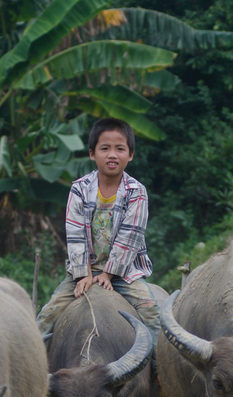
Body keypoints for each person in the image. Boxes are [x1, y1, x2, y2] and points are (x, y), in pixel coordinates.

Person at [37, 118, 161, 355]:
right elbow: (74, 235)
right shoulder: (80, 188)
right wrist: (83, 273)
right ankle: (33, 372)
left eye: (120, 149)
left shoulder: (137, 192)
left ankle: (160, 375)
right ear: (92, 154)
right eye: (105, 148)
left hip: (124, 273)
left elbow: (130, 236)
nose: (112, 155)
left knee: (152, 313)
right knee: (47, 315)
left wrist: (108, 273)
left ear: (131, 154)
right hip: (83, 269)